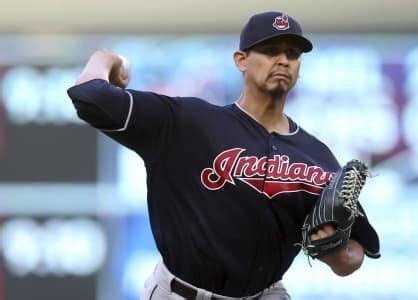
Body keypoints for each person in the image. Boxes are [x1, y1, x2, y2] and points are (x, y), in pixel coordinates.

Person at [67, 11, 380, 300]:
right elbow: (89, 97)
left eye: (293, 54)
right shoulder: (187, 123)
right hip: (181, 293)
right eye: (270, 51)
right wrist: (105, 58)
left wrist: (335, 250)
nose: (283, 60)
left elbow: (353, 257)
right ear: (241, 60)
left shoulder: (315, 157)